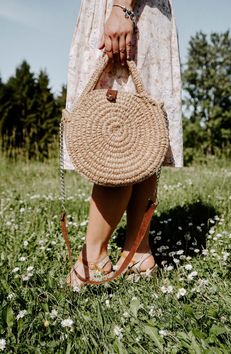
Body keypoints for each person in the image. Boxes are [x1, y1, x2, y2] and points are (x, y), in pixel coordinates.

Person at [63, 0, 183, 287]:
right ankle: (138, 253)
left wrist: (121, 9)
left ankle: (93, 260)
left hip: (125, 11)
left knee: (116, 138)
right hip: (145, 12)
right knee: (142, 136)